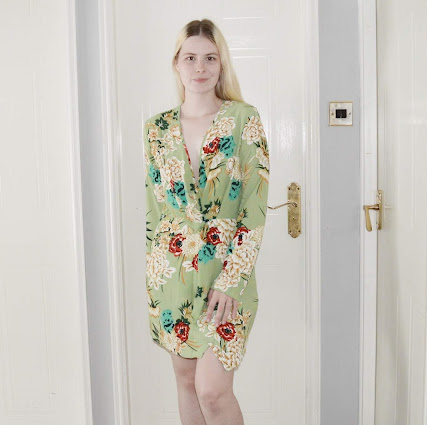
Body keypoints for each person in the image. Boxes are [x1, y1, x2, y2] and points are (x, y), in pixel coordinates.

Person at [143, 18, 270, 424]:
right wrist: (155, 277)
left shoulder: (244, 119)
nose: (200, 68)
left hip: (227, 276)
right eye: (191, 58)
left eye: (210, 58)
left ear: (222, 64)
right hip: (172, 274)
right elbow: (154, 211)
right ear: (176, 64)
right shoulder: (156, 129)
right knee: (185, 383)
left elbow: (254, 206)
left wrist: (233, 279)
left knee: (212, 391)